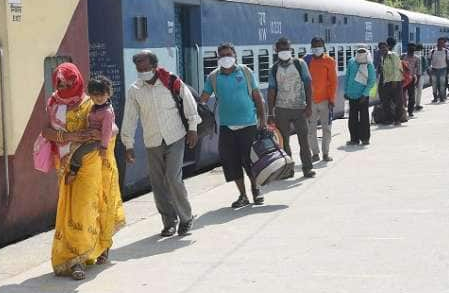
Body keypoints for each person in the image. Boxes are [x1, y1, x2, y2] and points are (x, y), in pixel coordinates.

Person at [41, 64, 125, 279]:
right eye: (60, 82)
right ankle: (76, 253)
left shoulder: (90, 101)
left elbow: (112, 126)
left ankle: (80, 258)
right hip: (65, 163)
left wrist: (97, 137)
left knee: (85, 207)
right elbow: (45, 131)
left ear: (77, 80)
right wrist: (69, 137)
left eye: (69, 81)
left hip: (91, 162)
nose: (65, 85)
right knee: (69, 210)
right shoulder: (53, 102)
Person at [121, 51, 199, 236]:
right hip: (152, 140)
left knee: (172, 178)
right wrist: (128, 144)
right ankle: (169, 221)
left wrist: (193, 127)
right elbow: (130, 118)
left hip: (175, 136)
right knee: (157, 184)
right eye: (139, 68)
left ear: (154, 66)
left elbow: (188, 102)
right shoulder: (134, 90)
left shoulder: (170, 81)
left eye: (145, 67)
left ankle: (186, 218)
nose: (142, 70)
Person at [199, 42, 266, 208]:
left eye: (228, 55)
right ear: (218, 58)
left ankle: (256, 189)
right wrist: (198, 110)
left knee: (250, 161)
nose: (225, 58)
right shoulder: (213, 77)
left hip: (249, 124)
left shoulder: (245, 72)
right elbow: (204, 98)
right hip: (227, 126)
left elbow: (257, 97)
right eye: (222, 56)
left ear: (235, 55)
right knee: (232, 162)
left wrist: (263, 120)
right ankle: (242, 195)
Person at [267, 37, 315, 178]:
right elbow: (271, 91)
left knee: (303, 140)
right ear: (276, 50)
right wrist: (270, 113)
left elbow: (308, 85)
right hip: (281, 109)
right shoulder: (274, 68)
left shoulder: (300, 64)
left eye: (286, 48)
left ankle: (307, 168)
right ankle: (288, 170)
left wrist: (309, 106)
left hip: (300, 108)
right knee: (284, 142)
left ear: (291, 49)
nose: (284, 51)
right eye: (281, 49)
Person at [65, 76, 118, 185]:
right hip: (91, 137)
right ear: (90, 95)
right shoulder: (96, 107)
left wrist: (103, 147)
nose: (99, 98)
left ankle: (73, 172)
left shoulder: (107, 112)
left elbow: (108, 130)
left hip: (97, 143)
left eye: (102, 94)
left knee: (78, 153)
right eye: (95, 95)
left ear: (108, 94)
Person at [305, 37, 337, 162]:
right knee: (310, 129)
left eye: (318, 46)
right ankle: (315, 153)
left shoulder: (329, 61)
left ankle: (325, 153)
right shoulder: (307, 60)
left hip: (325, 100)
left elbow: (333, 82)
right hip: (311, 101)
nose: (316, 48)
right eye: (314, 46)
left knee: (326, 128)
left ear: (323, 46)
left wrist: (332, 99)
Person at [344, 45, 376, 146]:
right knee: (352, 118)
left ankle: (365, 138)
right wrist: (346, 91)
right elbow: (347, 77)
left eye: (363, 51)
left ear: (366, 52)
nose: (361, 53)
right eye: (359, 51)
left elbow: (372, 81)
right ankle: (354, 139)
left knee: (364, 118)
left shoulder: (369, 64)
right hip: (351, 95)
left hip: (363, 96)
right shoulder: (351, 62)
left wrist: (365, 94)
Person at [378, 39, 404, 125]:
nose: (383, 49)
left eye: (384, 47)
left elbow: (397, 68)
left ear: (388, 47)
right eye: (381, 48)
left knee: (398, 101)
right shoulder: (383, 58)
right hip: (387, 82)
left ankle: (398, 119)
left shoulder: (393, 55)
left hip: (395, 82)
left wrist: (395, 81)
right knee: (386, 101)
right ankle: (389, 119)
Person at [428, 37, 449, 103]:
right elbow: (429, 60)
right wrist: (429, 68)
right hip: (434, 70)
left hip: (443, 70)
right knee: (434, 85)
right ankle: (435, 97)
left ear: (444, 44)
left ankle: (441, 97)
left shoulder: (446, 51)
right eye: (439, 42)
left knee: (442, 85)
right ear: (437, 43)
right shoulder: (432, 51)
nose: (440, 44)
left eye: (442, 43)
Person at [402, 46, 420, 118]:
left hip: (411, 79)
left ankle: (410, 111)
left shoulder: (417, 58)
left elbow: (418, 69)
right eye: (410, 51)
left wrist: (417, 80)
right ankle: (402, 111)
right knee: (402, 96)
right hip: (403, 79)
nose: (411, 52)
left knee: (411, 96)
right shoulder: (403, 57)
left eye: (412, 51)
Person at [413, 44, 425, 111]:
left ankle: (412, 104)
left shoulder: (410, 55)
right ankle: (417, 104)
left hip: (411, 76)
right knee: (419, 90)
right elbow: (425, 66)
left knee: (412, 91)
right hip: (420, 75)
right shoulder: (421, 57)